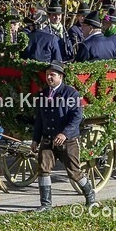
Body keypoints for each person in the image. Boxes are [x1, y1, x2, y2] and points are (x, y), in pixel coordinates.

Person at [30, 61, 96, 211]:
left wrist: (65, 133)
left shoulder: (71, 93)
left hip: (69, 140)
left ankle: (90, 197)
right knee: (43, 169)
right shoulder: (42, 95)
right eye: (47, 75)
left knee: (74, 172)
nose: (49, 78)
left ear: (61, 77)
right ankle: (46, 205)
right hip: (48, 139)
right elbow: (39, 119)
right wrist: (35, 139)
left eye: (52, 75)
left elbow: (77, 116)